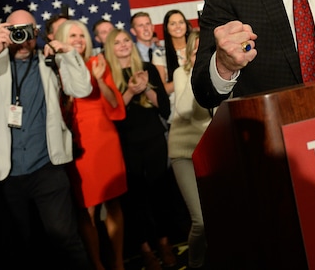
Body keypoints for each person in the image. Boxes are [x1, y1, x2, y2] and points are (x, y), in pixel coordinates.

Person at [0, 9, 94, 270]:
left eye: (28, 32)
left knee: (65, 239)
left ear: (36, 33)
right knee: (15, 247)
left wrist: (69, 54)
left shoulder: (49, 60)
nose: (23, 38)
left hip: (47, 166)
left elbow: (82, 89)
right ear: (5, 31)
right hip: (6, 173)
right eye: (16, 31)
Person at [103, 28, 178, 270]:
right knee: (135, 199)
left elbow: (164, 108)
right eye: (118, 42)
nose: (124, 45)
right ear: (110, 48)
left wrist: (146, 88)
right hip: (125, 143)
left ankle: (164, 243)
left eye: (127, 40)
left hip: (154, 139)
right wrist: (130, 92)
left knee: (161, 192)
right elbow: (111, 115)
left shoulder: (147, 67)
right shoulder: (107, 74)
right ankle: (145, 249)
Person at [56, 19, 128, 270]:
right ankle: (97, 264)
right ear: (62, 40)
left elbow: (116, 106)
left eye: (82, 35)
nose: (78, 40)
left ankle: (118, 262)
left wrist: (98, 81)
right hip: (77, 145)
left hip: (104, 140)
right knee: (86, 209)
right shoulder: (56, 69)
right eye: (72, 35)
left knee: (113, 202)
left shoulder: (98, 63)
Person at [168, 29, 210, 269]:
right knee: (202, 221)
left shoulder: (225, 73)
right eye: (199, 50)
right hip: (184, 152)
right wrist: (197, 69)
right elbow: (185, 111)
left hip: (212, 150)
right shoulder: (181, 73)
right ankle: (195, 264)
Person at [154, 9, 191, 101]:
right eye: (173, 24)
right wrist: (188, 75)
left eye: (181, 22)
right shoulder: (160, 54)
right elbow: (163, 90)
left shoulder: (197, 48)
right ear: (167, 28)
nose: (178, 26)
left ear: (186, 25)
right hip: (177, 104)